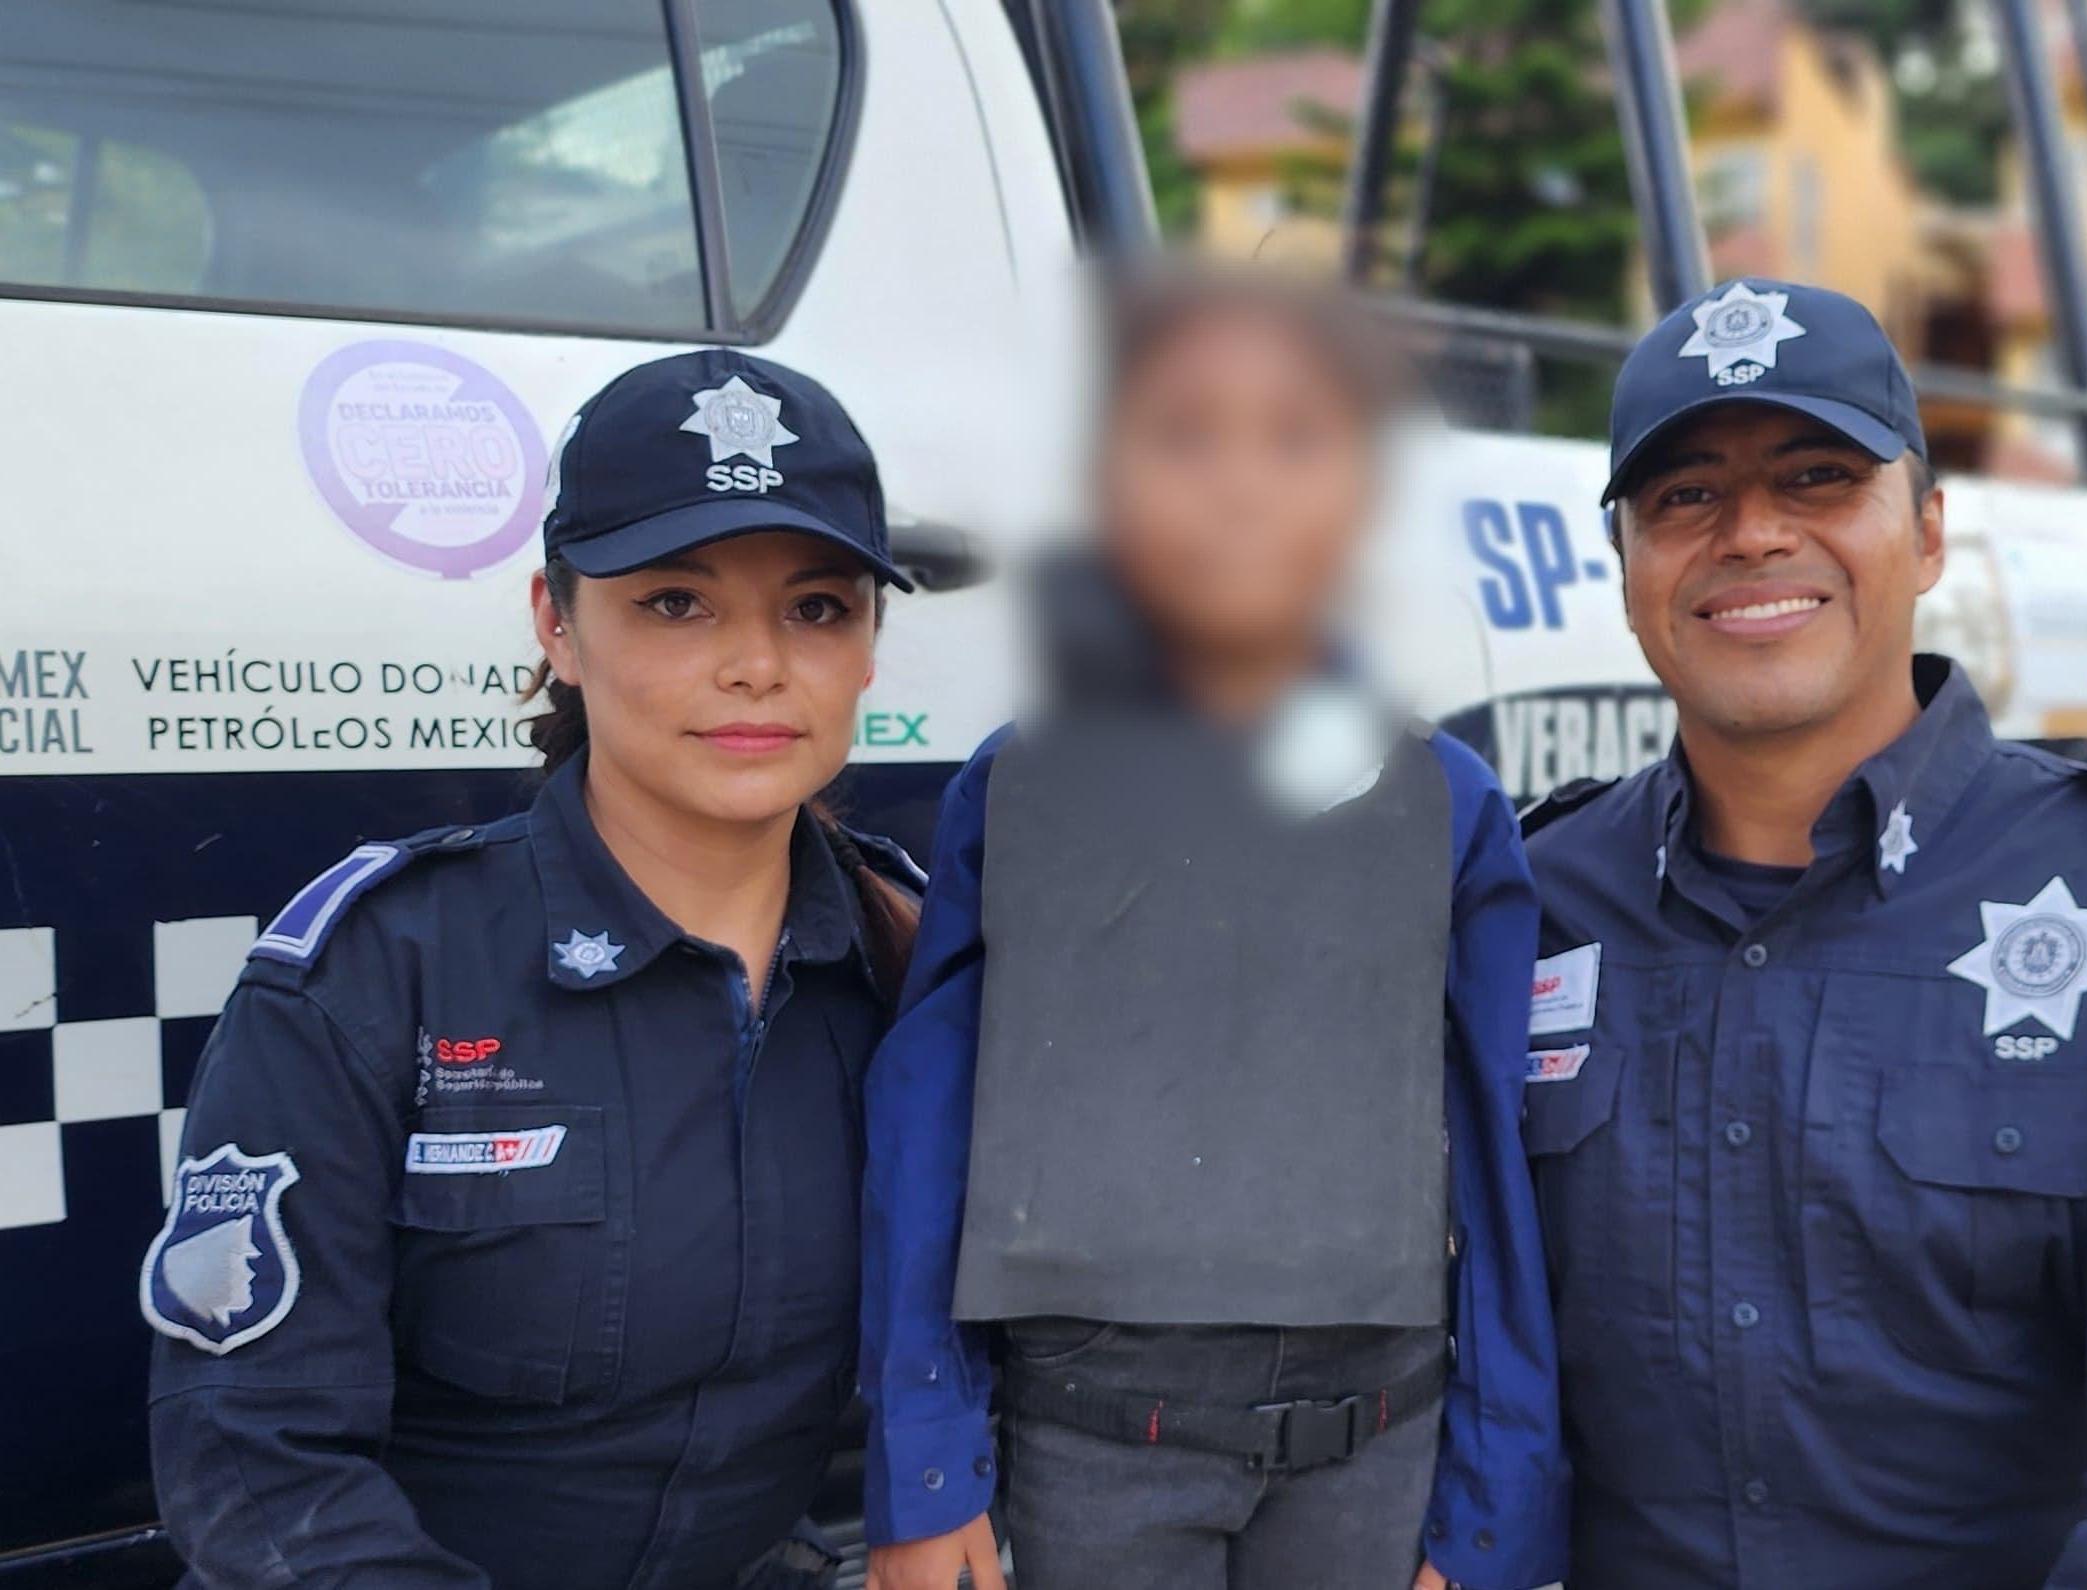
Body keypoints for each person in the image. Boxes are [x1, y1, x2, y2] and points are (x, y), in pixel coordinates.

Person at [1520, 277, 2087, 1587]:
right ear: (1623, 566)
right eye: (1684, 495)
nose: (1751, 533)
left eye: (1817, 477)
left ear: (1929, 531)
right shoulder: (1531, 903)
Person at [142, 350, 923, 1589]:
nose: (756, 665)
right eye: (676, 603)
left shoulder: (912, 964)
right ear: (557, 625)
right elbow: (257, 1462)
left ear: (870, 646)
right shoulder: (378, 971)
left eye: (817, 608)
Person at [860, 268, 1567, 1590]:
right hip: (1091, 1449)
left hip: (1376, 1452)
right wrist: (927, 1463)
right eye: (1182, 435)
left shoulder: (1448, 802)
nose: (1239, 484)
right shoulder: (1019, 790)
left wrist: (1489, 1515)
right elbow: (930, 1126)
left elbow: (1494, 1165)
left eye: (1295, 437)